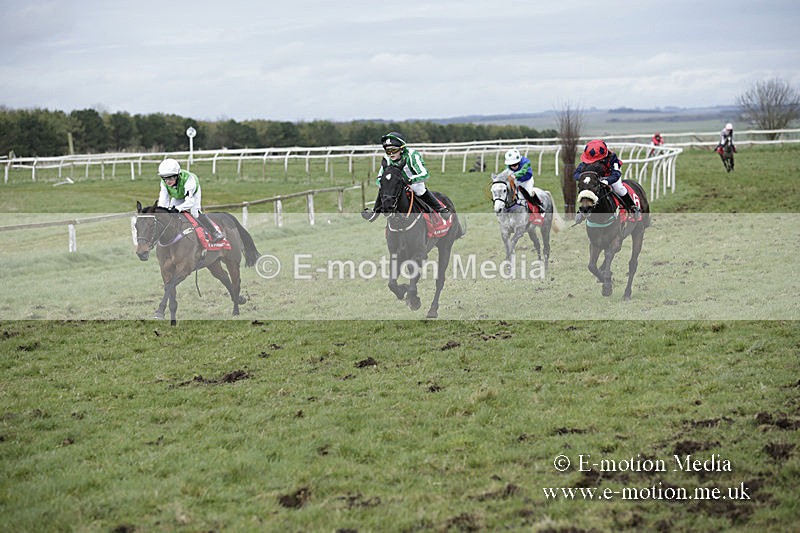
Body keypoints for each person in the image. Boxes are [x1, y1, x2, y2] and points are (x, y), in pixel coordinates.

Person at [364, 131, 450, 219]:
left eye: (394, 150)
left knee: (419, 190)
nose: (391, 154)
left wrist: (409, 180)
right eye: (388, 151)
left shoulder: (412, 155)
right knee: (385, 187)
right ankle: (375, 212)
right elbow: (380, 177)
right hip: (396, 182)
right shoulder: (387, 158)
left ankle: (440, 209)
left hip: (413, 180)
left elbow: (424, 173)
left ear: (401, 149)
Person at [156, 158, 225, 242]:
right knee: (171, 214)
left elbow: (190, 202)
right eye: (164, 178)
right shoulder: (163, 183)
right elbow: (163, 200)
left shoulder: (189, 180)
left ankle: (214, 232)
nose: (168, 182)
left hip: (192, 194)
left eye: (170, 178)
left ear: (177, 175)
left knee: (195, 213)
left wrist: (178, 209)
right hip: (178, 194)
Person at [573, 139, 641, 221]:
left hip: (611, 177)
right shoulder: (586, 160)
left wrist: (607, 181)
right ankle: (582, 211)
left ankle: (632, 207)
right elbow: (576, 174)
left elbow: (616, 174)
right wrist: (584, 177)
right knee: (585, 187)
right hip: (595, 179)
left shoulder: (612, 158)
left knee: (619, 189)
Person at [503, 148, 545, 213]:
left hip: (527, 181)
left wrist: (514, 175)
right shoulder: (508, 167)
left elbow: (523, 171)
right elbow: (506, 173)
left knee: (529, 193)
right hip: (517, 181)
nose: (513, 167)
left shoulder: (526, 162)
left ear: (519, 161)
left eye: (515, 164)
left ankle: (539, 205)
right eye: (511, 165)